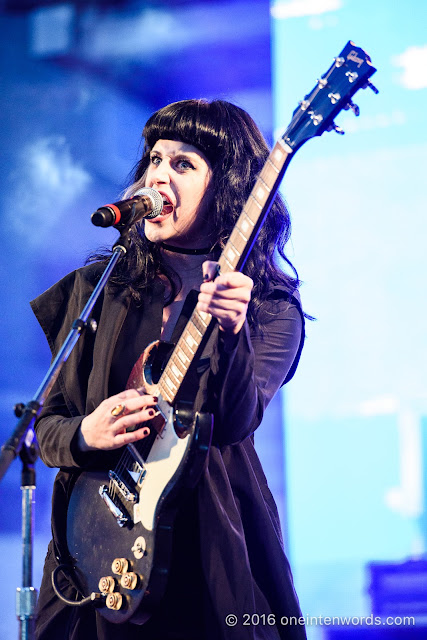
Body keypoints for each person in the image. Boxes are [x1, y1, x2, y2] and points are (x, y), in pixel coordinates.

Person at [32, 99, 307, 640]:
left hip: (205, 551)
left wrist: (231, 335)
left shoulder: (268, 309)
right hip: (91, 552)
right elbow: (48, 427)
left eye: (183, 164)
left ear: (227, 188)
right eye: (155, 159)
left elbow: (232, 423)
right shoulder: (97, 289)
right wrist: (87, 433)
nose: (157, 175)